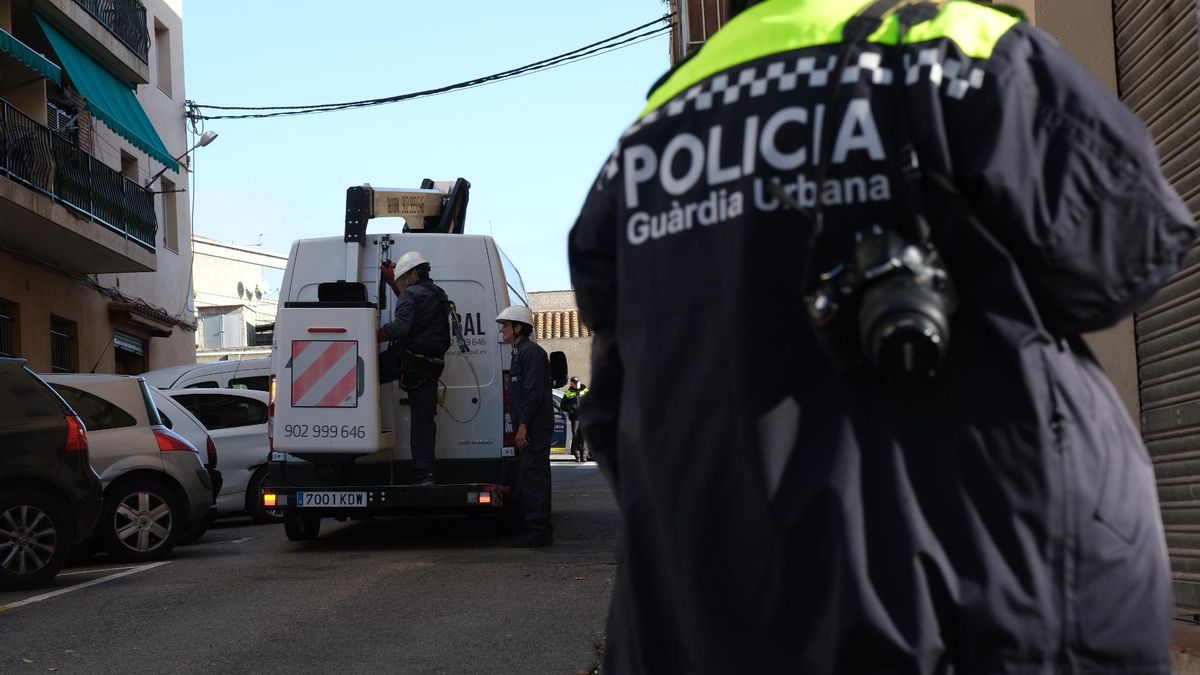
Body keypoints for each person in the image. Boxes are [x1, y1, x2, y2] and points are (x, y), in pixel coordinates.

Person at [568, 0, 1196, 672]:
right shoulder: (953, 49)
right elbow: (1127, 252)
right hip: (983, 608)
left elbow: (613, 412)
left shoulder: (647, 136)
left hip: (710, 619)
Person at [378, 251, 450, 486]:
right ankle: (425, 473)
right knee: (423, 421)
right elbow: (415, 310)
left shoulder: (410, 294)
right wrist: (392, 281)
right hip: (432, 365)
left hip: (411, 361)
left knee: (361, 376)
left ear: (414, 273)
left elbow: (400, 328)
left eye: (402, 278)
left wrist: (365, 333)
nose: (401, 283)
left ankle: (348, 440)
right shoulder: (438, 294)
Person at [496, 305, 554, 547]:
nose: (501, 329)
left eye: (505, 325)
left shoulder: (530, 352)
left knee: (534, 477)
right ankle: (538, 528)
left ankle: (538, 532)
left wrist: (524, 426)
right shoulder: (519, 352)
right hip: (531, 425)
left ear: (518, 328)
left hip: (534, 427)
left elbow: (533, 392)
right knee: (533, 476)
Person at [562, 376, 589, 462]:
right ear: (571, 384)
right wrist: (570, 409)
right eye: (575, 383)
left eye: (578, 383)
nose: (577, 385)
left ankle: (584, 456)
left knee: (584, 436)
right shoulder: (568, 393)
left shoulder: (586, 391)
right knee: (576, 435)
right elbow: (562, 406)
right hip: (575, 418)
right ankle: (577, 456)